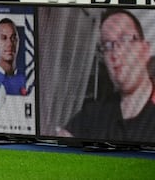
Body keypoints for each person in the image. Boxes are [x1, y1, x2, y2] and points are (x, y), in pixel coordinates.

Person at [58, 8, 155, 141]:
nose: (115, 53)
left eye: (125, 39)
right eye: (107, 45)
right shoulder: (92, 116)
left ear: (145, 50)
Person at [0, 18, 27, 96]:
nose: (9, 44)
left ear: (18, 42)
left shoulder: (27, 80)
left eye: (13, 38)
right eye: (3, 38)